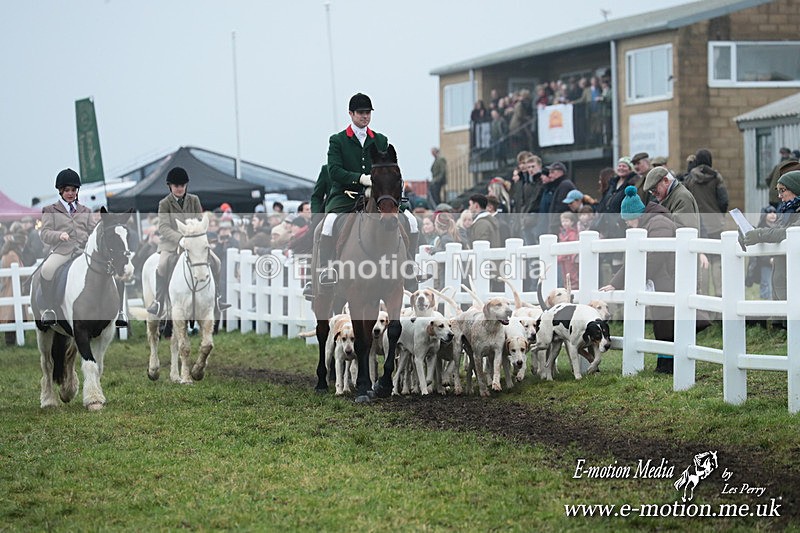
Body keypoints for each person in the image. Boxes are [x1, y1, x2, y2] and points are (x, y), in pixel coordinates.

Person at [601, 185, 677, 374]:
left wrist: (625, 281)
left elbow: (654, 258)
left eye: (628, 220)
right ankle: (664, 363)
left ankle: (668, 364)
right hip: (660, 279)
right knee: (662, 322)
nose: (627, 224)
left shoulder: (659, 224)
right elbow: (637, 260)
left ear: (636, 215)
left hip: (668, 278)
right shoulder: (648, 225)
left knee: (666, 322)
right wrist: (616, 282)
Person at [146, 167, 230, 317]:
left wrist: (197, 237)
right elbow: (163, 227)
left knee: (216, 262)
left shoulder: (194, 200)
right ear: (170, 186)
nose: (180, 188)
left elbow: (199, 220)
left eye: (182, 185)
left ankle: (217, 298)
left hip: (194, 242)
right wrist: (180, 238)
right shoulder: (164, 203)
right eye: (176, 186)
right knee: (162, 265)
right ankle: (159, 302)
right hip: (171, 243)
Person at [38, 169, 101, 327]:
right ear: (61, 191)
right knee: (47, 269)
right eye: (67, 190)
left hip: (83, 251)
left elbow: (93, 230)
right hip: (62, 251)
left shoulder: (85, 211)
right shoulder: (50, 210)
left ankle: (115, 309)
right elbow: (44, 233)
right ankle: (49, 308)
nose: (71, 193)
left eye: (73, 190)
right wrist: (59, 235)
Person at [742, 171, 800, 327]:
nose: (779, 196)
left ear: (796, 188)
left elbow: (786, 233)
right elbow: (775, 231)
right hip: (781, 275)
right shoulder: (786, 211)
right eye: (778, 191)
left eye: (783, 190)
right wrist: (751, 233)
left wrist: (759, 234)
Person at [683, 148, 729, 297]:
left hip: (697, 223)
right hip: (715, 223)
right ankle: (719, 293)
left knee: (702, 259)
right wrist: (720, 215)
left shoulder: (690, 178)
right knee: (717, 259)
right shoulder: (716, 177)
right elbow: (724, 200)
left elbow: (686, 200)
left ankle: (703, 297)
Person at [1, 223, 28, 344]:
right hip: (12, 290)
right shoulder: (12, 255)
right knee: (13, 316)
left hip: (12, 289)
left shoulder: (9, 253)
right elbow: (20, 272)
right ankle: (13, 342)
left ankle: (14, 341)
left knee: (14, 315)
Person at [557, 212, 579, 289]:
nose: (564, 223)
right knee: (564, 276)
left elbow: (571, 247)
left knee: (571, 275)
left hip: (570, 258)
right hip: (563, 259)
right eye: (563, 221)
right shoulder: (562, 233)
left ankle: (574, 289)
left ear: (572, 222)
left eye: (567, 221)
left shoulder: (572, 233)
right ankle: (566, 289)